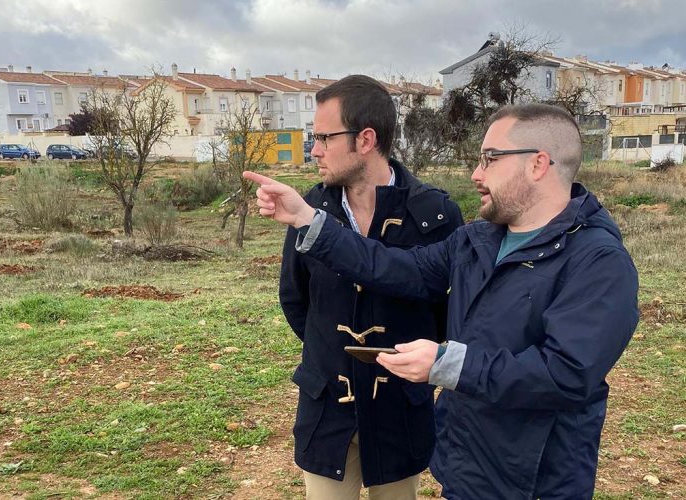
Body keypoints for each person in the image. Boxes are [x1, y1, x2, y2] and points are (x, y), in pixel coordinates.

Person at [244, 103, 639, 499]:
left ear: (538, 164)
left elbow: (567, 374)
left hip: (537, 479)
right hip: (467, 467)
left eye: (490, 159)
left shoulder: (598, 261)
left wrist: (446, 364)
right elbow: (392, 267)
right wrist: (307, 221)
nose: (476, 174)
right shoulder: (478, 239)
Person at [278, 74, 463, 499]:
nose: (315, 149)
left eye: (324, 137)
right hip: (328, 403)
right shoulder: (310, 208)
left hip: (400, 407)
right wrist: (332, 354)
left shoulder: (434, 215)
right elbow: (295, 297)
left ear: (365, 140)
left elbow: (445, 312)